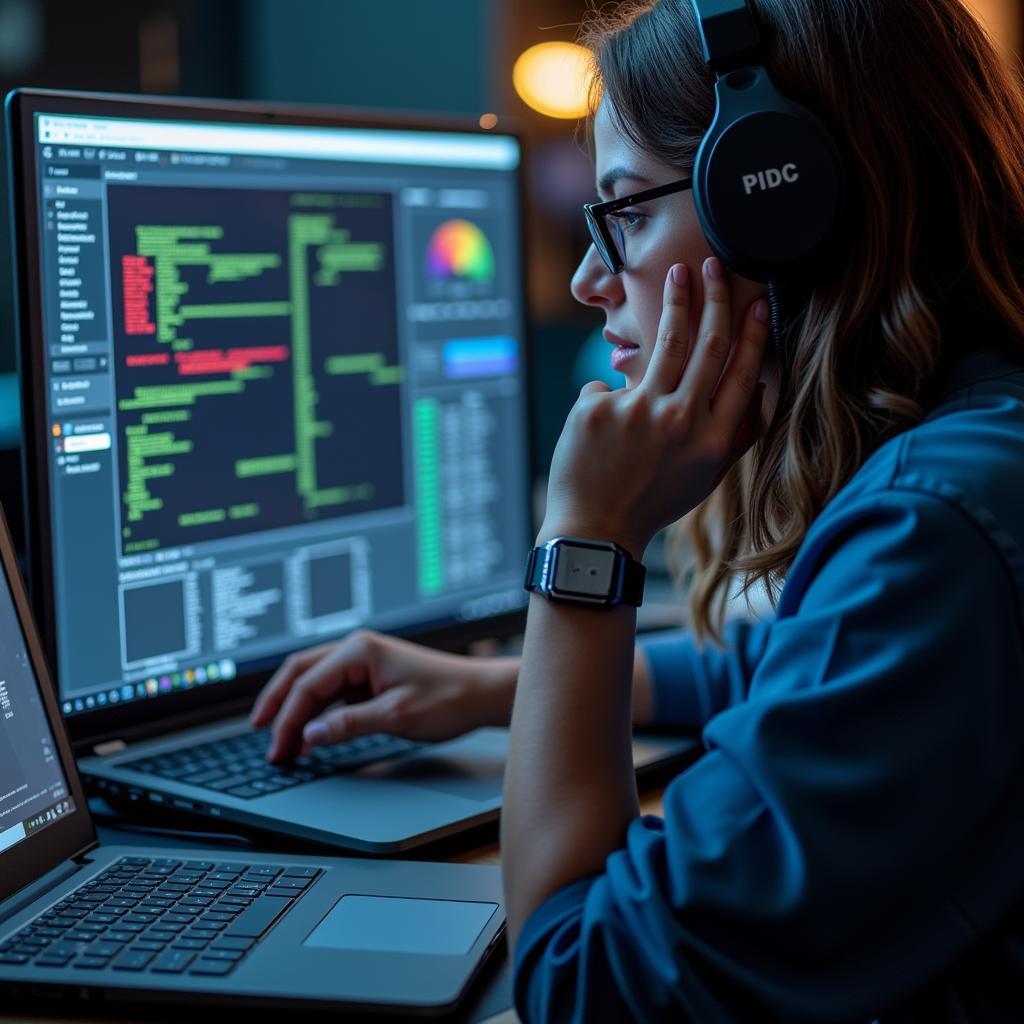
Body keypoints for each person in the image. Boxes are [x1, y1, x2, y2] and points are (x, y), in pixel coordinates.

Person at [251, 0, 1024, 1019]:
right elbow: (803, 669)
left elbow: (582, 976)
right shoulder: (975, 447)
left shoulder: (935, 530)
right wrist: (495, 690)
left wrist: (587, 540)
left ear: (778, 203)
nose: (586, 281)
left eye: (622, 215)